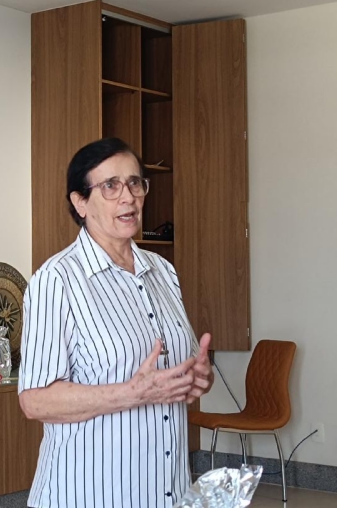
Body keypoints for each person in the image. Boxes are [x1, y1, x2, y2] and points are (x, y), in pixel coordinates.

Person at [19, 137, 214, 508]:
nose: (128, 197)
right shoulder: (57, 279)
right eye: (110, 186)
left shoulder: (163, 271)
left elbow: (176, 373)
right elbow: (34, 401)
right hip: (88, 494)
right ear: (80, 202)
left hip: (166, 492)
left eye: (135, 183)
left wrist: (198, 377)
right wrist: (132, 393)